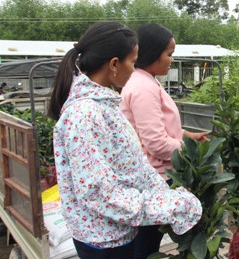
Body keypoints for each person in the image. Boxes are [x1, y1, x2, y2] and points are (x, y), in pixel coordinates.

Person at [48, 21, 202, 259]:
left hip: (117, 231)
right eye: (132, 61)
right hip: (104, 239)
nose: (134, 68)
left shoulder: (105, 104)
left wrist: (167, 196)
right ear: (114, 65)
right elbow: (99, 194)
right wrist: (165, 206)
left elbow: (135, 163)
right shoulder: (85, 115)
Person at [119, 23, 208, 259]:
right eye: (169, 55)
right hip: (155, 178)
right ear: (151, 53)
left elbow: (155, 127)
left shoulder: (146, 80)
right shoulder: (143, 87)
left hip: (150, 174)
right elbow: (156, 143)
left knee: (146, 241)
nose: (171, 60)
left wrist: (187, 135)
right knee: (146, 245)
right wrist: (190, 151)